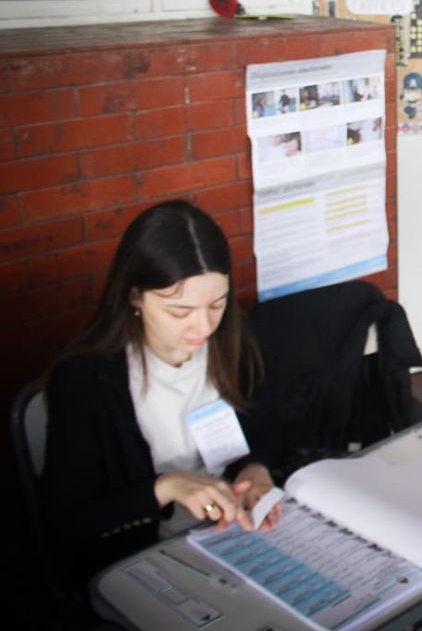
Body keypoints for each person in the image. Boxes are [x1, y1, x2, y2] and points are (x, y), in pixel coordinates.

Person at [43, 201, 282, 587]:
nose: (202, 326)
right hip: (147, 559)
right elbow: (67, 522)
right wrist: (164, 488)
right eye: (179, 311)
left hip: (234, 536)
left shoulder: (232, 344)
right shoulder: (87, 381)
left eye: (217, 304)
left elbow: (260, 433)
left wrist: (254, 469)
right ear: (135, 297)